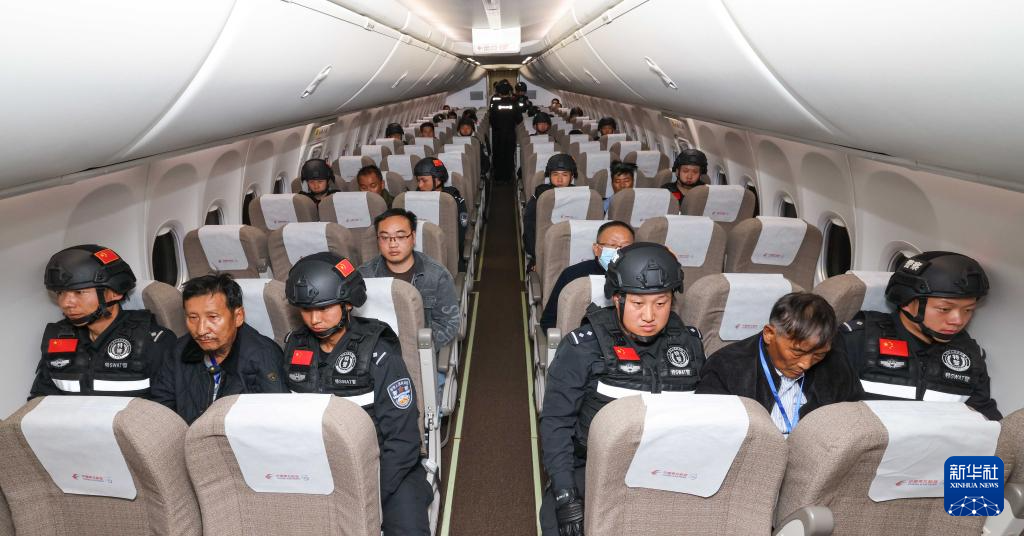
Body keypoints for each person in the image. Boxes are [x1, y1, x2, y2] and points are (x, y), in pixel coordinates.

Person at [539, 243, 706, 536]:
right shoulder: (583, 347)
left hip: (666, 469)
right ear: (617, 299)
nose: (649, 316)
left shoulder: (689, 345)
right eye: (638, 304)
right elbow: (556, 423)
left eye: (661, 303)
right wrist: (566, 495)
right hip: (592, 467)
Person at [283, 252, 431, 535]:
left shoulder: (379, 354)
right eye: (306, 309)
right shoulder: (293, 348)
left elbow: (403, 440)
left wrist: (368, 494)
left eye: (325, 308)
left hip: (385, 467)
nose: (314, 319)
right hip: (319, 466)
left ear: (348, 303)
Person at [840, 252, 1000, 419]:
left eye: (968, 310)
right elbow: (827, 411)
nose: (958, 320)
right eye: (944, 309)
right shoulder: (857, 339)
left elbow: (984, 417)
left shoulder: (970, 355)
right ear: (908, 302)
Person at [696, 292, 864, 435]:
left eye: (818, 355)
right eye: (797, 352)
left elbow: (857, 418)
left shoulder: (837, 364)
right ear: (769, 334)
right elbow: (710, 433)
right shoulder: (726, 367)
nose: (806, 364)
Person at [31, 245, 175, 398]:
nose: (66, 303)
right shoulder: (58, 339)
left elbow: (166, 405)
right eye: (60, 293)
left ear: (115, 293)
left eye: (79, 292)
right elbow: (40, 399)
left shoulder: (153, 341)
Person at [150, 274, 286, 424]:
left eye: (213, 317)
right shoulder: (178, 351)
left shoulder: (263, 356)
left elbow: (275, 421)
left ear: (238, 317)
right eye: (193, 318)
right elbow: (160, 411)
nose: (201, 330)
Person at [358, 208, 460, 350]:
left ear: (413, 237)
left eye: (400, 236)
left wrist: (420, 347)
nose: (392, 244)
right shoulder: (364, 276)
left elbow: (449, 323)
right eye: (385, 237)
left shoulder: (437, 276)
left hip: (420, 350)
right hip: (376, 350)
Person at [539, 221, 635, 332]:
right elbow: (549, 321)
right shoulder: (573, 275)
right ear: (596, 249)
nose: (618, 251)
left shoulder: (641, 276)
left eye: (626, 246)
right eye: (612, 245)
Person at [523, 154, 577, 268]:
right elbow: (529, 225)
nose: (560, 179)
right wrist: (536, 255)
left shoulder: (580, 196)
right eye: (555, 174)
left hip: (573, 249)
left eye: (565, 175)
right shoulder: (541, 195)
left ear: (572, 177)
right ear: (549, 176)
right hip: (544, 250)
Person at [413, 158, 468, 265]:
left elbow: (460, 236)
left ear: (438, 180)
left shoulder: (453, 201)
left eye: (424, 181)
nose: (420, 185)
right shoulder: (412, 199)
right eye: (418, 181)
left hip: (448, 255)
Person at [489, 80, 520, 183]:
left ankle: (498, 177)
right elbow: (519, 119)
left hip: (497, 134)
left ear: (499, 92)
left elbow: (491, 120)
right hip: (510, 134)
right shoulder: (514, 103)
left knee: (498, 154)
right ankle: (508, 177)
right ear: (509, 91)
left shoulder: (495, 103)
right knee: (509, 155)